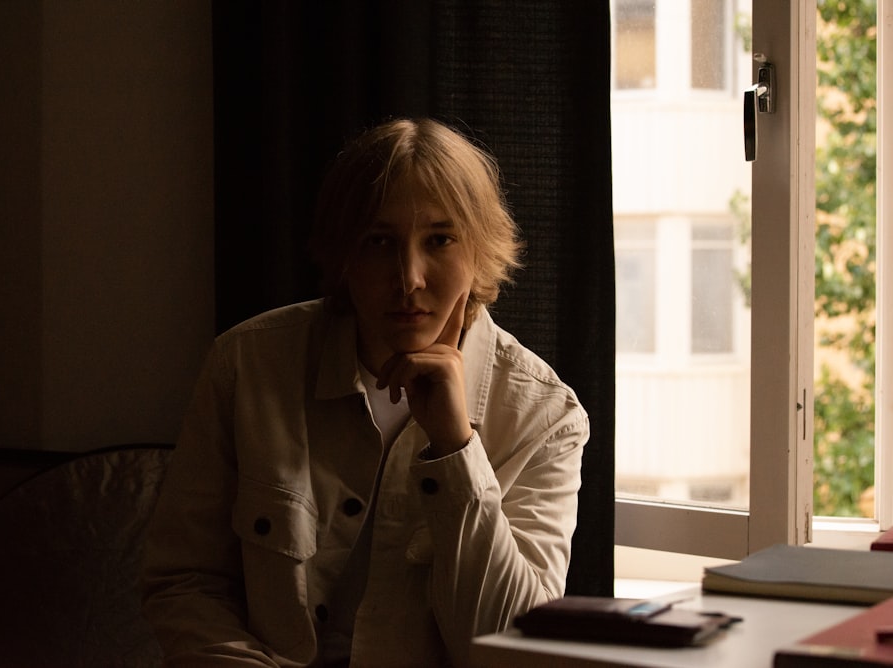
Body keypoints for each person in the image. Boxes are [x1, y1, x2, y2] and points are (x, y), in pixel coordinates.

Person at [140, 118, 589, 667]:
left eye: (440, 240)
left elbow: (515, 651)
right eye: (379, 242)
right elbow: (185, 583)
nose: (409, 278)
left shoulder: (544, 415)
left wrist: (455, 446)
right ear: (345, 252)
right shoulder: (248, 364)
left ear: (478, 252)